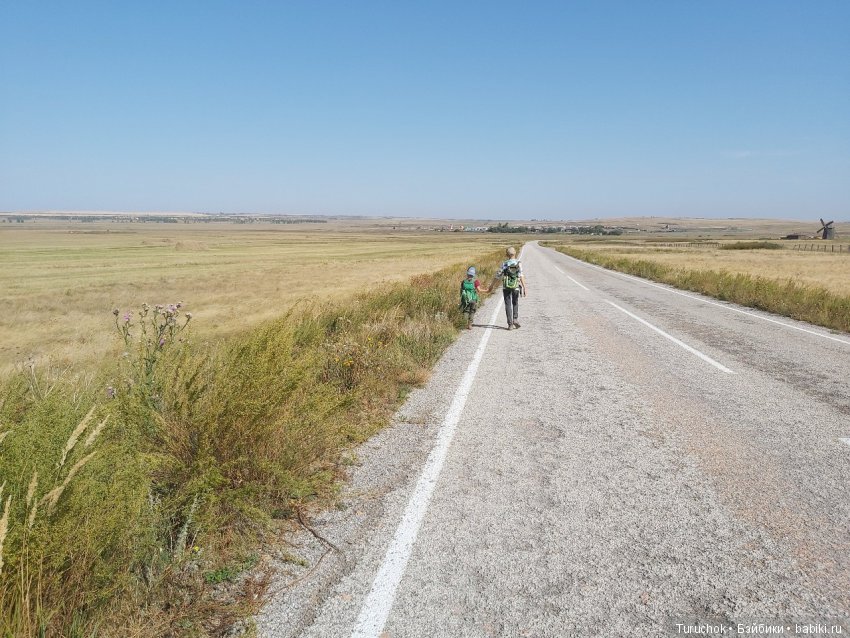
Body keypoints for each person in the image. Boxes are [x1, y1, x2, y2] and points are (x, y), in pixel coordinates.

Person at [488, 247, 527, 329]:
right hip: (516, 286)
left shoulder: (505, 264)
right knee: (515, 302)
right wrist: (524, 287)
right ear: (515, 253)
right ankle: (515, 319)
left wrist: (491, 286)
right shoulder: (518, 263)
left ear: (507, 255)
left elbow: (498, 275)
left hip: (506, 287)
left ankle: (510, 324)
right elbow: (521, 275)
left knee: (507, 304)